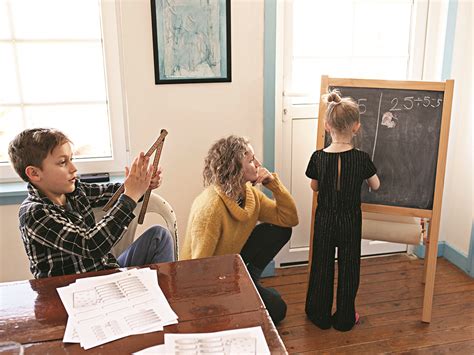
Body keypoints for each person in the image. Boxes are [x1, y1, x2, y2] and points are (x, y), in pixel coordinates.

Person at [8, 128, 175, 279]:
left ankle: (162, 302)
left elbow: (117, 193)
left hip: (106, 274)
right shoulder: (34, 213)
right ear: (34, 173)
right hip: (71, 293)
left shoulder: (75, 191)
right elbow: (92, 246)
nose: (73, 168)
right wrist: (131, 194)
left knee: (158, 236)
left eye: (71, 159)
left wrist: (142, 185)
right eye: (62, 162)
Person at [180, 135, 299, 324]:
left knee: (281, 230)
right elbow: (198, 268)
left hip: (233, 263)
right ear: (234, 168)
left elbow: (289, 219)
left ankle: (250, 279)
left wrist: (272, 184)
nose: (258, 164)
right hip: (209, 277)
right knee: (278, 310)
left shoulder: (250, 194)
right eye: (251, 160)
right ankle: (243, 288)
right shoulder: (210, 208)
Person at [305, 90, 380, 331]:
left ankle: (320, 314)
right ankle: (345, 317)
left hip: (325, 218)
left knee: (322, 264)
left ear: (327, 126)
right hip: (350, 220)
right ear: (356, 127)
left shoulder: (317, 157)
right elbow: (375, 185)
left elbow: (314, 186)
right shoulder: (362, 158)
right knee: (349, 267)